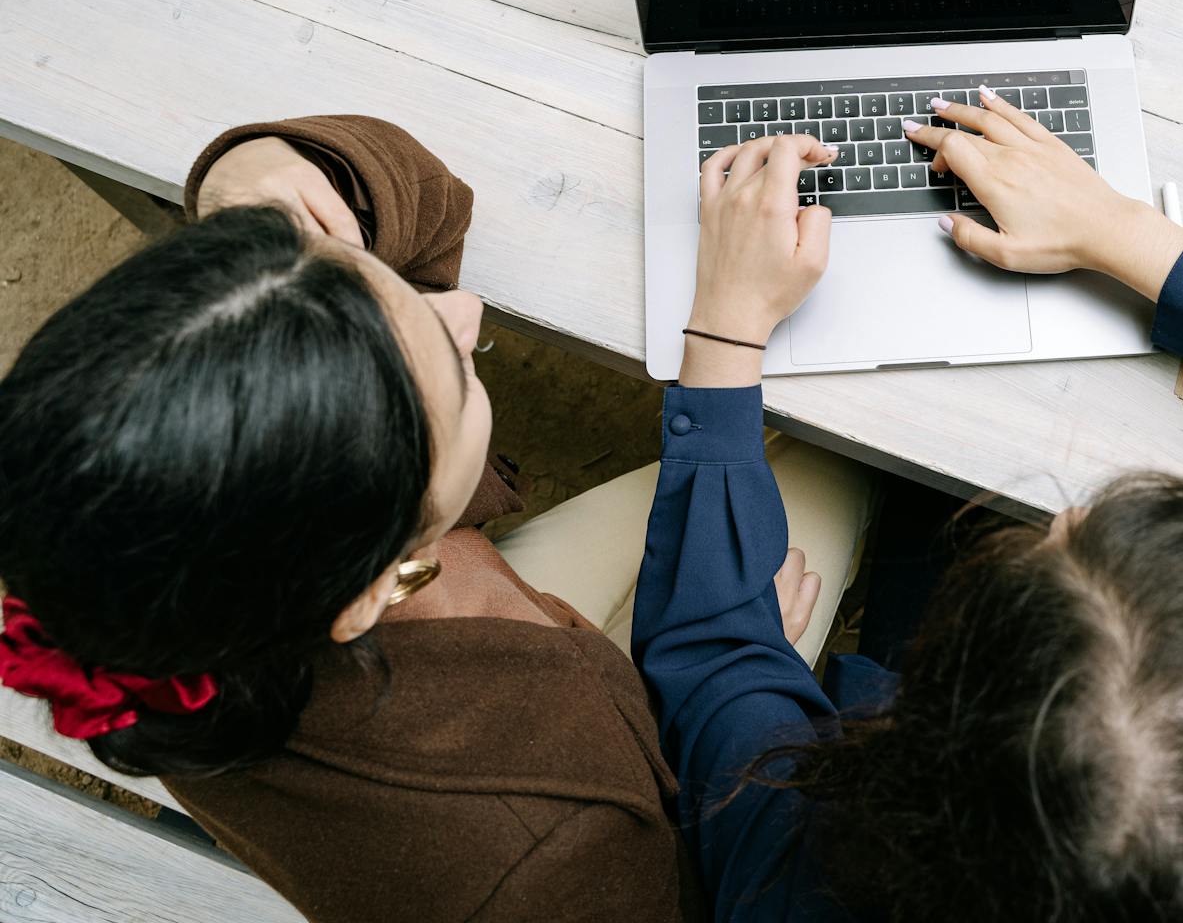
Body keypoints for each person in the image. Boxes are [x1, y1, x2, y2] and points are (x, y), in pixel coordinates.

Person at [633, 93, 1183, 922]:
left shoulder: (806, 882)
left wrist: (725, 321)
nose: (1058, 523)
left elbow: (709, 657)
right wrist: (1116, 228)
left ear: (922, 767)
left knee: (929, 507)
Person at [0, 116, 872, 922]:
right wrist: (719, 663)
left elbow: (421, 212)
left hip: (537, 679)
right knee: (842, 455)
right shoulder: (553, 863)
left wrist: (248, 175)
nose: (464, 311)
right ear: (377, 584)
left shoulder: (134, 570)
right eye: (456, 372)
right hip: (647, 770)